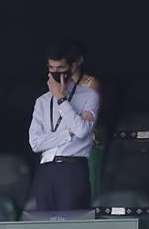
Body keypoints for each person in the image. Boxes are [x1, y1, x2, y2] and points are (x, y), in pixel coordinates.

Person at [28, 41, 101, 211]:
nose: (55, 73)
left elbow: (82, 131)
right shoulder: (42, 101)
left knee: (71, 223)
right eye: (51, 68)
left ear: (73, 66)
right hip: (46, 169)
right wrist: (68, 132)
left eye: (60, 68)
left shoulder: (88, 96)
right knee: (44, 226)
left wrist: (61, 99)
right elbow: (35, 143)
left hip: (72, 168)